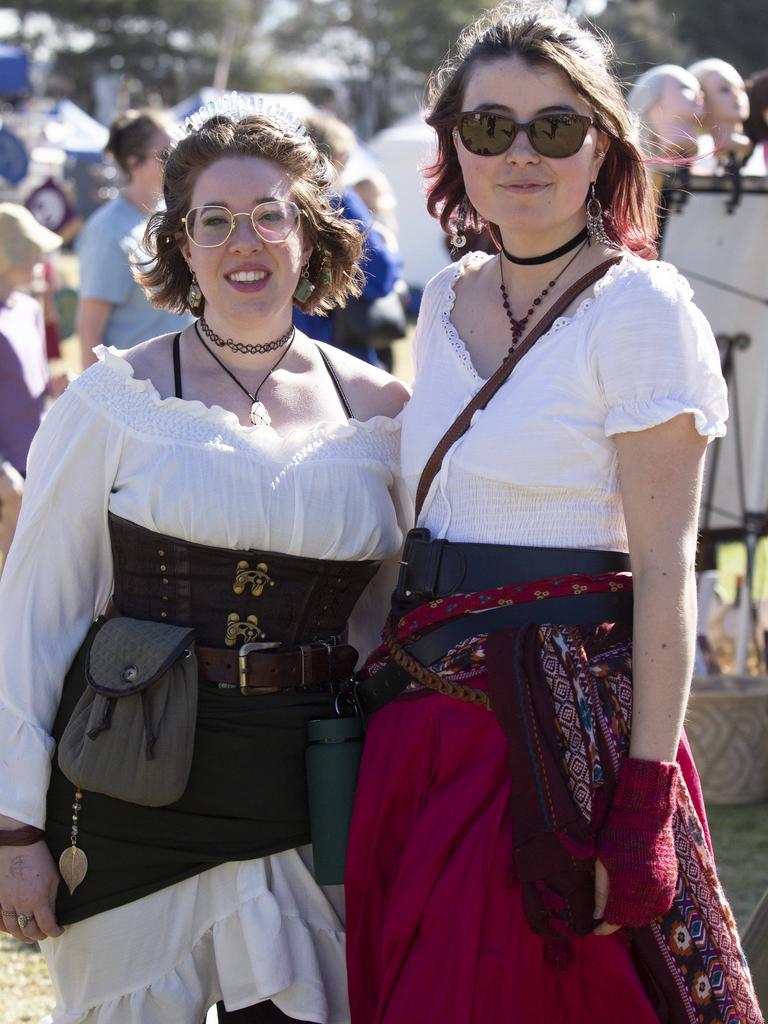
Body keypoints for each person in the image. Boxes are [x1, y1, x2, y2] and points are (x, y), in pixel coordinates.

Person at [344, 5, 762, 1023]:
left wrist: (644, 802)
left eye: (554, 128)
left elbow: (667, 575)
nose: (520, 153)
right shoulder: (441, 300)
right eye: (490, 128)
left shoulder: (644, 308)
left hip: (561, 755)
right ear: (455, 150)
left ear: (602, 147)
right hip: (420, 736)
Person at [0, 105, 408, 1024]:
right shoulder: (116, 398)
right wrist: (15, 827)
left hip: (309, 789)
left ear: (310, 228)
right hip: (132, 785)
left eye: (268, 213)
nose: (243, 241)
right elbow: (35, 616)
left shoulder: (382, 410)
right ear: (181, 242)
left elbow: (387, 623)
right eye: (213, 220)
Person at [76, 109, 191, 369]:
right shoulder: (107, 230)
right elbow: (89, 327)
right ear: (133, 162)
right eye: (166, 154)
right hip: (134, 387)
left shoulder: (170, 215)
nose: (176, 163)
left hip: (180, 383)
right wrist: (98, 399)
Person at [294, 112, 403, 367]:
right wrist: (395, 257)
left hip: (283, 346)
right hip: (339, 353)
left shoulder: (272, 206)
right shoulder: (339, 203)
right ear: (339, 158)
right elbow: (380, 273)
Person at [0, 203, 68, 567]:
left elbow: (30, 377)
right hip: (8, 473)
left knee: (37, 565)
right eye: (31, 251)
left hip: (36, 456)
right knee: (15, 569)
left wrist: (52, 385)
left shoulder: (28, 308)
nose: (40, 260)